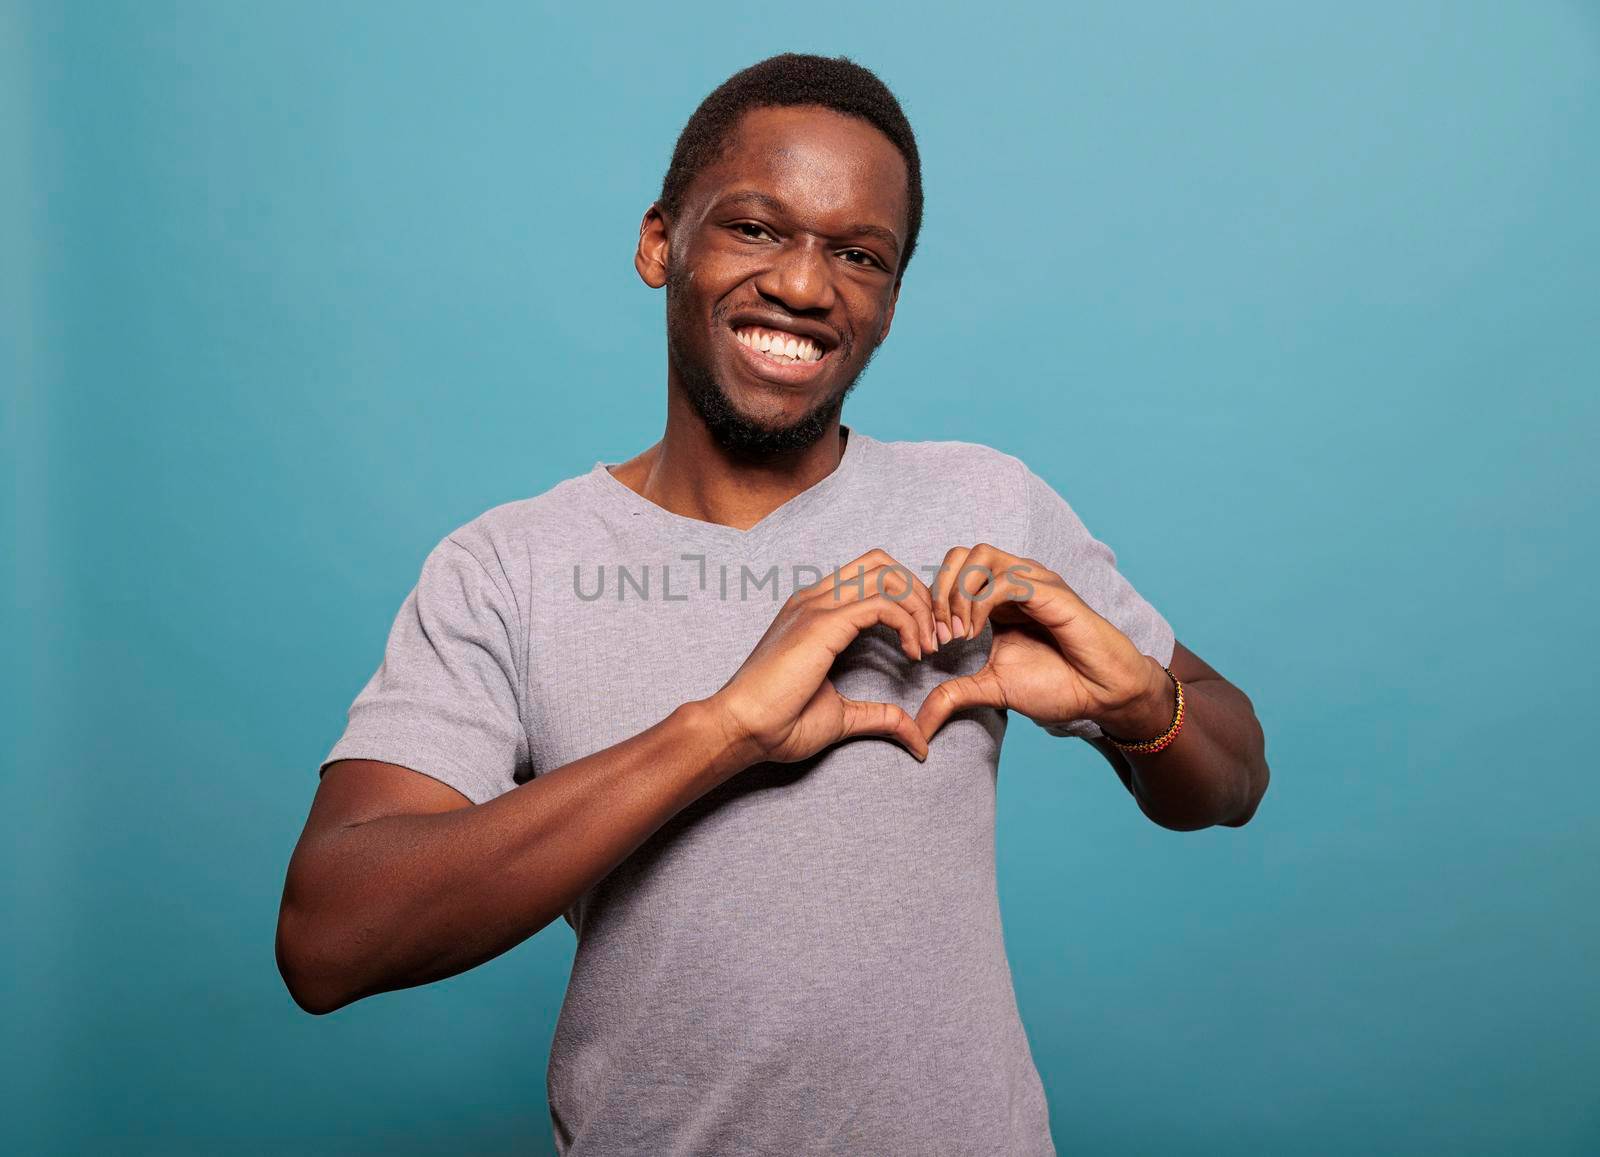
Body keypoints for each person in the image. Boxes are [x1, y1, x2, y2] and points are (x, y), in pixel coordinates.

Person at [276, 53, 1269, 1156]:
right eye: (755, 228)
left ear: (890, 301)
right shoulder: (509, 566)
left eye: (859, 254)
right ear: (663, 243)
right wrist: (724, 729)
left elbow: (1230, 775)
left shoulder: (982, 505)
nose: (805, 285)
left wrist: (1143, 709)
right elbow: (329, 938)